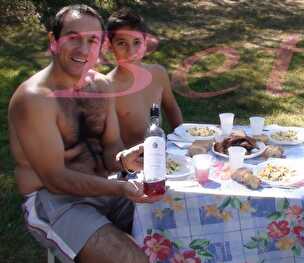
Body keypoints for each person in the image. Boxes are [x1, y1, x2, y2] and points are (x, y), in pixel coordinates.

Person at [8, 5, 159, 263]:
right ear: (53, 41)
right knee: (133, 260)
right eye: (73, 38)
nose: (83, 50)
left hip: (105, 186)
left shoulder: (100, 86)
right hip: (54, 201)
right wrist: (120, 188)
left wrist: (124, 159)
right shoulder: (34, 99)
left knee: (176, 222)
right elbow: (55, 179)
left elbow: (111, 144)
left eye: (93, 40)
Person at [106, 9, 183, 148]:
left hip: (161, 154)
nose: (131, 51)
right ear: (110, 46)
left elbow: (172, 108)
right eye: (122, 43)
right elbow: (107, 141)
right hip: (129, 164)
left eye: (137, 42)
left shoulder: (158, 74)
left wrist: (183, 141)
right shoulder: (108, 87)